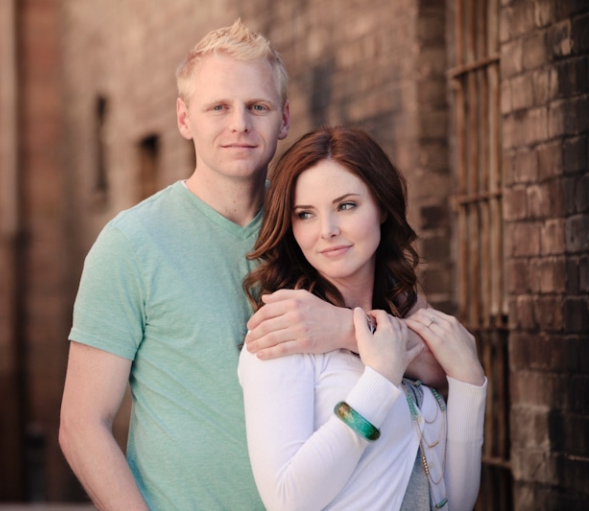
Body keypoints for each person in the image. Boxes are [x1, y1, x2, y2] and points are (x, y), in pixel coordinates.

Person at [59, 20, 443, 510]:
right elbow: (82, 425)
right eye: (218, 106)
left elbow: (440, 364)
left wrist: (343, 330)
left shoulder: (314, 230)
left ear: (283, 119)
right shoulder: (131, 244)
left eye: (256, 106)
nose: (239, 123)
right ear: (183, 118)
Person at [238, 126, 487, 511]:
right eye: (306, 214)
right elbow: (287, 500)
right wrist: (379, 383)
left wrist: (469, 384)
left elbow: (455, 500)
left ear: (381, 207)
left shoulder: (406, 317)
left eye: (346, 205)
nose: (328, 231)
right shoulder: (284, 336)